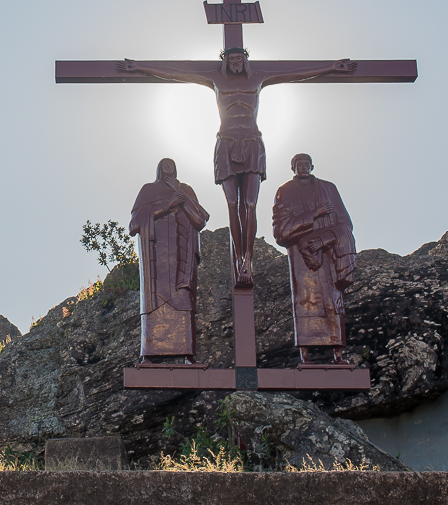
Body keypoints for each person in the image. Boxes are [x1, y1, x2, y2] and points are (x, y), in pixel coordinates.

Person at [118, 50, 355, 288]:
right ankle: (238, 258)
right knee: (232, 204)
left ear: (245, 61)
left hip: (252, 142)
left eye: (239, 59)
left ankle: (247, 259)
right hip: (226, 144)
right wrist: (140, 67)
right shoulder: (215, 78)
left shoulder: (258, 77)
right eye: (230, 59)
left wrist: (331, 68)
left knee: (250, 204)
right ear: (225, 62)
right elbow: (177, 73)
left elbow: (294, 73)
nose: (235, 63)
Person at [272, 154, 357, 365]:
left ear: (312, 166)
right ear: (293, 168)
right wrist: (314, 214)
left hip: (329, 252)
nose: (303, 168)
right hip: (302, 257)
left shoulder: (329, 188)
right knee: (304, 301)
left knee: (334, 301)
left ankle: (337, 354)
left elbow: (345, 222)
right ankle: (305, 354)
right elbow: (281, 231)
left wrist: (324, 238)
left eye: (306, 164)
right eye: (298, 165)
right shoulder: (285, 191)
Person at [129, 158, 209, 362]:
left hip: (182, 256)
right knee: (155, 302)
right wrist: (167, 205)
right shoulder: (148, 189)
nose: (168, 167)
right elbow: (134, 224)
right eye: (164, 165)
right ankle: (149, 355)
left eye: (171, 164)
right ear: (158, 169)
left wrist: (181, 197)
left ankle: (188, 355)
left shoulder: (186, 189)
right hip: (157, 258)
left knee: (183, 301)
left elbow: (200, 220)